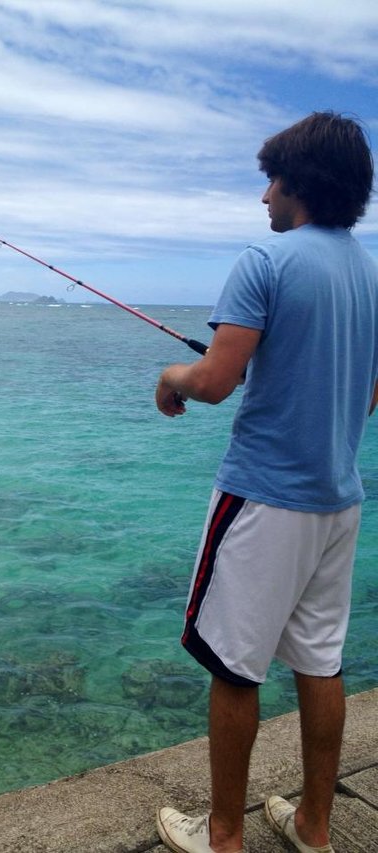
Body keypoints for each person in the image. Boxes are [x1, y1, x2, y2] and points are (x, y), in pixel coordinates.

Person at [153, 111, 378, 853]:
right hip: (338, 502)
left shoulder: (264, 263)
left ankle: (222, 837)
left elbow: (217, 381)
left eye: (271, 182)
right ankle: (314, 825)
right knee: (320, 660)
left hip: (264, 500)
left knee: (234, 664)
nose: (264, 199)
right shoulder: (373, 272)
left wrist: (172, 377)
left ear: (299, 184)